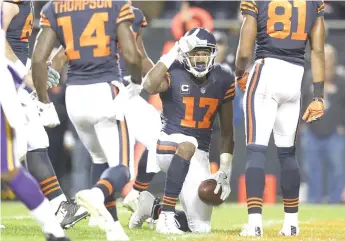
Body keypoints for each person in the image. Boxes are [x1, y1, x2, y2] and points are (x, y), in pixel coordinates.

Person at [32, 1, 142, 240]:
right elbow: (132, 54)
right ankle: (97, 193)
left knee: (99, 160)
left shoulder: (55, 7)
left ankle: (113, 229)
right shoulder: (116, 4)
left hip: (74, 95)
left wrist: (43, 102)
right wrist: (135, 82)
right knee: (123, 169)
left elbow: (39, 59)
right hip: (105, 89)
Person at [129, 28, 235, 234]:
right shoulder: (174, 70)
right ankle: (166, 215)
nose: (200, 58)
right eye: (195, 52)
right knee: (188, 144)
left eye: (204, 53)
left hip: (199, 155)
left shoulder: (223, 79)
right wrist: (173, 51)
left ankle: (152, 208)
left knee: (201, 228)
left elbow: (227, 132)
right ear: (185, 54)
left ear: (213, 53)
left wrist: (225, 170)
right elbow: (149, 86)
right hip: (168, 144)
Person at [235, 0, 326, 236]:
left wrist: (240, 72)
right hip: (294, 76)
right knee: (287, 153)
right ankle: (292, 224)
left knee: (256, 150)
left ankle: (255, 224)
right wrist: (318, 95)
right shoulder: (313, 2)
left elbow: (245, 49)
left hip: (266, 71)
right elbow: (317, 50)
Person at [3, 0, 87, 228]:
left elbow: (15, 44)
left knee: (36, 141)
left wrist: (33, 67)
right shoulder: (10, 3)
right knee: (16, 148)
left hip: (12, 79)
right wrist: (25, 73)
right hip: (7, 81)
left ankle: (60, 206)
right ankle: (59, 205)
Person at [301, 44, 345, 204]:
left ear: (334, 59)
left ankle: (335, 202)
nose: (325, 60)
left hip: (335, 133)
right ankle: (314, 202)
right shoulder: (309, 77)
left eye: (328, 57)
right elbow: (302, 101)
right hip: (312, 131)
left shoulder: (341, 79)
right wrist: (302, 124)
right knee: (312, 170)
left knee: (338, 170)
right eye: (322, 57)